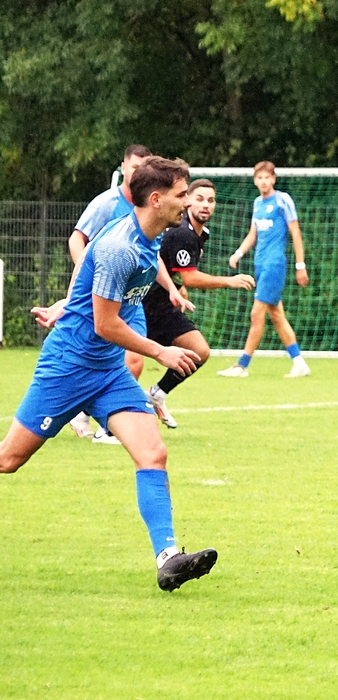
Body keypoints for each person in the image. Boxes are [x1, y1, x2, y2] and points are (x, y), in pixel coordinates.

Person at [0, 156, 218, 592]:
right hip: (68, 368)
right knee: (8, 460)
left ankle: (168, 559)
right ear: (155, 199)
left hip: (108, 372)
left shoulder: (150, 238)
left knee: (153, 453)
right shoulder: (121, 246)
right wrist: (161, 350)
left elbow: (94, 283)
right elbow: (104, 324)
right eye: (181, 194)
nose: (188, 201)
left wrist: (67, 304)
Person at [65, 145, 188, 444]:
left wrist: (171, 288)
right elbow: (80, 242)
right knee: (12, 455)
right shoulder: (108, 204)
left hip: (132, 303)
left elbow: (152, 257)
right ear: (123, 168)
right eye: (134, 167)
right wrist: (79, 293)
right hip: (104, 302)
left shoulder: (154, 219)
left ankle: (99, 420)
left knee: (134, 363)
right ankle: (93, 416)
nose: (138, 173)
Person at [143, 179, 256, 427]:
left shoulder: (201, 234)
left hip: (164, 306)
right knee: (126, 364)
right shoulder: (182, 233)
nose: (206, 205)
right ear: (188, 202)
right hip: (141, 305)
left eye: (211, 200)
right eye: (200, 199)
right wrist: (229, 281)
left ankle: (157, 394)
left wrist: (179, 289)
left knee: (199, 352)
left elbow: (175, 268)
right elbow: (190, 277)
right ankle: (88, 416)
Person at [217, 161, 310, 378]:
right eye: (260, 178)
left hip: (274, 265)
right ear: (255, 181)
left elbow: (295, 232)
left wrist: (300, 265)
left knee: (256, 313)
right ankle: (299, 363)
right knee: (277, 315)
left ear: (274, 179)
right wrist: (239, 253)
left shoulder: (283, 200)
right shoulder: (257, 203)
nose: (264, 181)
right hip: (260, 264)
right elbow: (253, 233)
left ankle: (242, 366)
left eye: (267, 177)